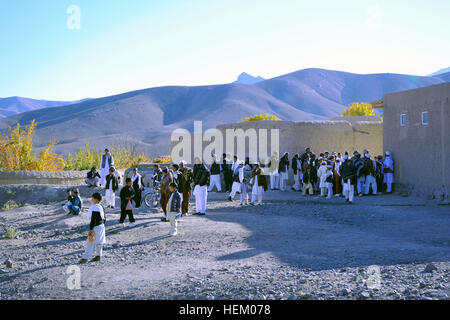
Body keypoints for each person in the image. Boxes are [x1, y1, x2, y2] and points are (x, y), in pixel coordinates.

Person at [79, 193, 106, 264]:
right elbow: (104, 218)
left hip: (96, 227)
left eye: (92, 198)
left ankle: (85, 258)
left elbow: (93, 219)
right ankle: (98, 256)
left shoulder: (95, 207)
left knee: (90, 242)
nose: (92, 200)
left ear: (96, 199)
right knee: (99, 242)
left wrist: (91, 229)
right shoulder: (101, 206)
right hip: (101, 226)